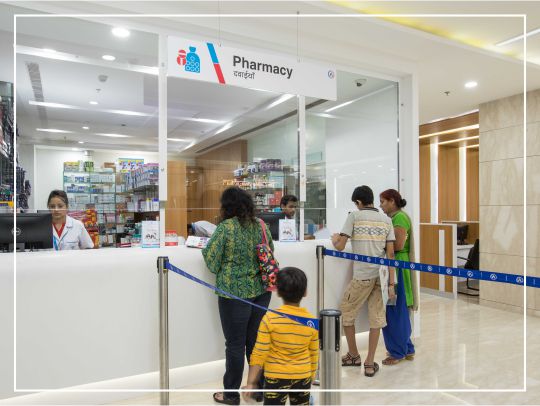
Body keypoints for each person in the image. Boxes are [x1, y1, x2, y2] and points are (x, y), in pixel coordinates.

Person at [202, 187, 273, 405]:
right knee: (256, 343)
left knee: (235, 345)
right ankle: (258, 390)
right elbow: (270, 251)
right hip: (261, 292)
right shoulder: (261, 225)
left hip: (233, 294)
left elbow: (212, 262)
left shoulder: (226, 228)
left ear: (227, 206)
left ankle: (231, 395)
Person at [331, 185, 396, 377]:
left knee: (346, 312)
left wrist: (335, 238)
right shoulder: (386, 220)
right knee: (376, 318)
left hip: (362, 275)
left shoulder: (354, 216)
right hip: (381, 276)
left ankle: (353, 354)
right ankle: (369, 362)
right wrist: (391, 283)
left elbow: (340, 246)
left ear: (358, 202)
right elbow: (391, 254)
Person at [242, 267, 318, 406]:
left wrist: (251, 382)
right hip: (303, 375)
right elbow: (313, 353)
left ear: (278, 292)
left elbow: (259, 352)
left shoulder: (269, 319)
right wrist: (311, 375)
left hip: (275, 376)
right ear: (305, 292)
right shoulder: (312, 322)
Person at [379, 189, 418, 365]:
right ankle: (407, 348)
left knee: (395, 310)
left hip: (397, 267)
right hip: (397, 265)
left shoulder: (400, 218)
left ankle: (397, 352)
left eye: (383, 201)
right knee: (398, 309)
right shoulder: (394, 218)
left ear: (392, 201)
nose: (381, 205)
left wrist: (376, 240)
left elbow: (398, 245)